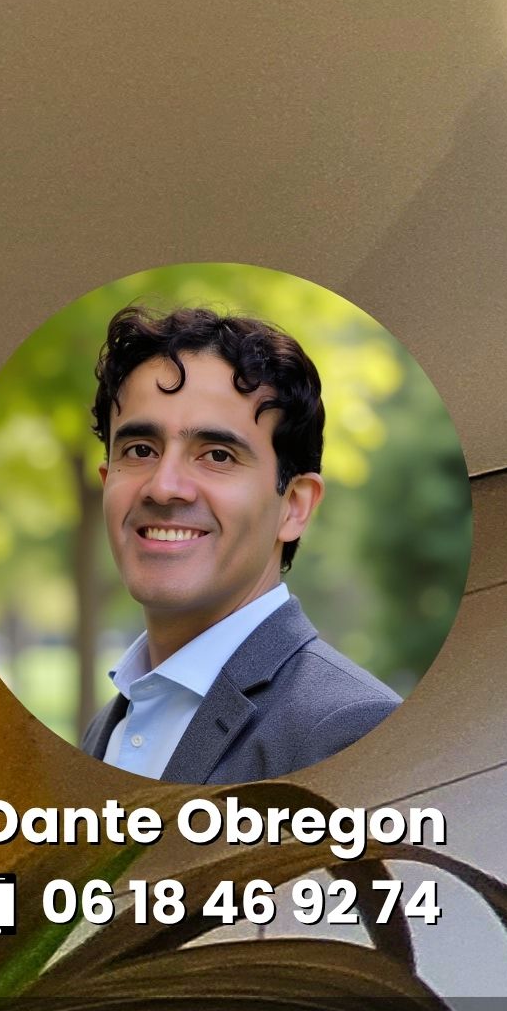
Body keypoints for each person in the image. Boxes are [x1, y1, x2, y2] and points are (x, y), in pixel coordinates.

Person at [78, 305, 399, 780]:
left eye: (217, 455)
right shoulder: (108, 729)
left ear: (294, 506)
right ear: (108, 484)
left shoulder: (346, 730)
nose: (163, 487)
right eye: (140, 450)